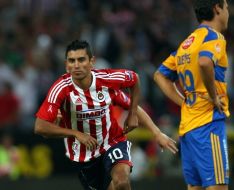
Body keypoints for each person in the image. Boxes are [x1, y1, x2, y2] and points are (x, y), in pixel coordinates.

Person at [34, 40, 178, 190]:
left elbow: (134, 78)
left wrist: (147, 125)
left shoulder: (106, 82)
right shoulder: (60, 89)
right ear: (66, 65)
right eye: (72, 60)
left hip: (112, 141)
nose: (76, 65)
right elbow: (40, 127)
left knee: (121, 182)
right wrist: (75, 133)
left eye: (81, 59)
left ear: (91, 62)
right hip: (84, 155)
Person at [154, 0, 230, 190]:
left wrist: (184, 103)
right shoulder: (215, 37)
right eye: (226, 7)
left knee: (194, 188)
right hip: (208, 124)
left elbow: (159, 75)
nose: (228, 12)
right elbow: (205, 62)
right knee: (218, 187)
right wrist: (213, 96)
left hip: (188, 127)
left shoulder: (186, 44)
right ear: (217, 8)